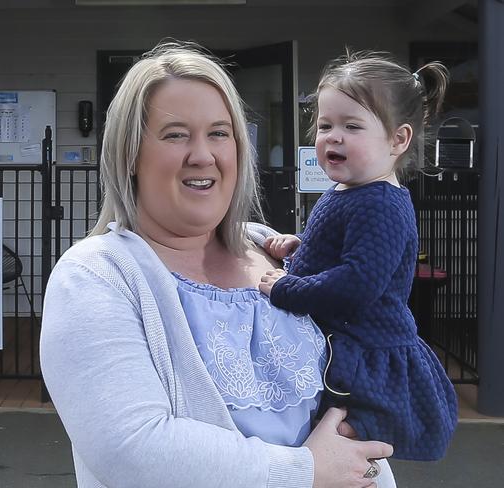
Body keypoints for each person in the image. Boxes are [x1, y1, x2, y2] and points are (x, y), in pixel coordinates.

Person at [41, 41, 396, 488]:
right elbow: (131, 449)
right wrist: (304, 472)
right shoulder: (96, 275)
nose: (202, 155)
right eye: (175, 134)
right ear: (130, 155)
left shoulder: (276, 250)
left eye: (219, 133)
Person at [259, 50, 458, 461]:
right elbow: (341, 247)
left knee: (341, 436)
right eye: (325, 125)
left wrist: (287, 288)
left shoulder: (380, 203)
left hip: (364, 350)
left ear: (398, 140)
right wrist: (300, 244)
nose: (333, 136)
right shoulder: (352, 191)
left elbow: (357, 284)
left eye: (352, 126)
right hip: (346, 339)